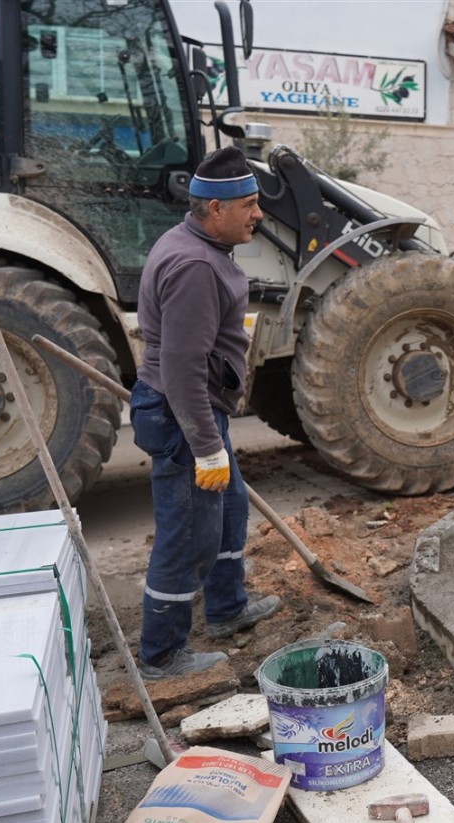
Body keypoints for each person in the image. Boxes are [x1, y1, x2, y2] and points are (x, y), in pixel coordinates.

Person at [131, 146, 281, 680]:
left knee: (230, 509)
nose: (257, 214)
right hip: (180, 415)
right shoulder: (195, 265)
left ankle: (226, 609)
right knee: (188, 533)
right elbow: (180, 370)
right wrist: (206, 446)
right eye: (249, 204)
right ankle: (161, 655)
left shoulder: (196, 244)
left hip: (196, 411)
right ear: (215, 210)